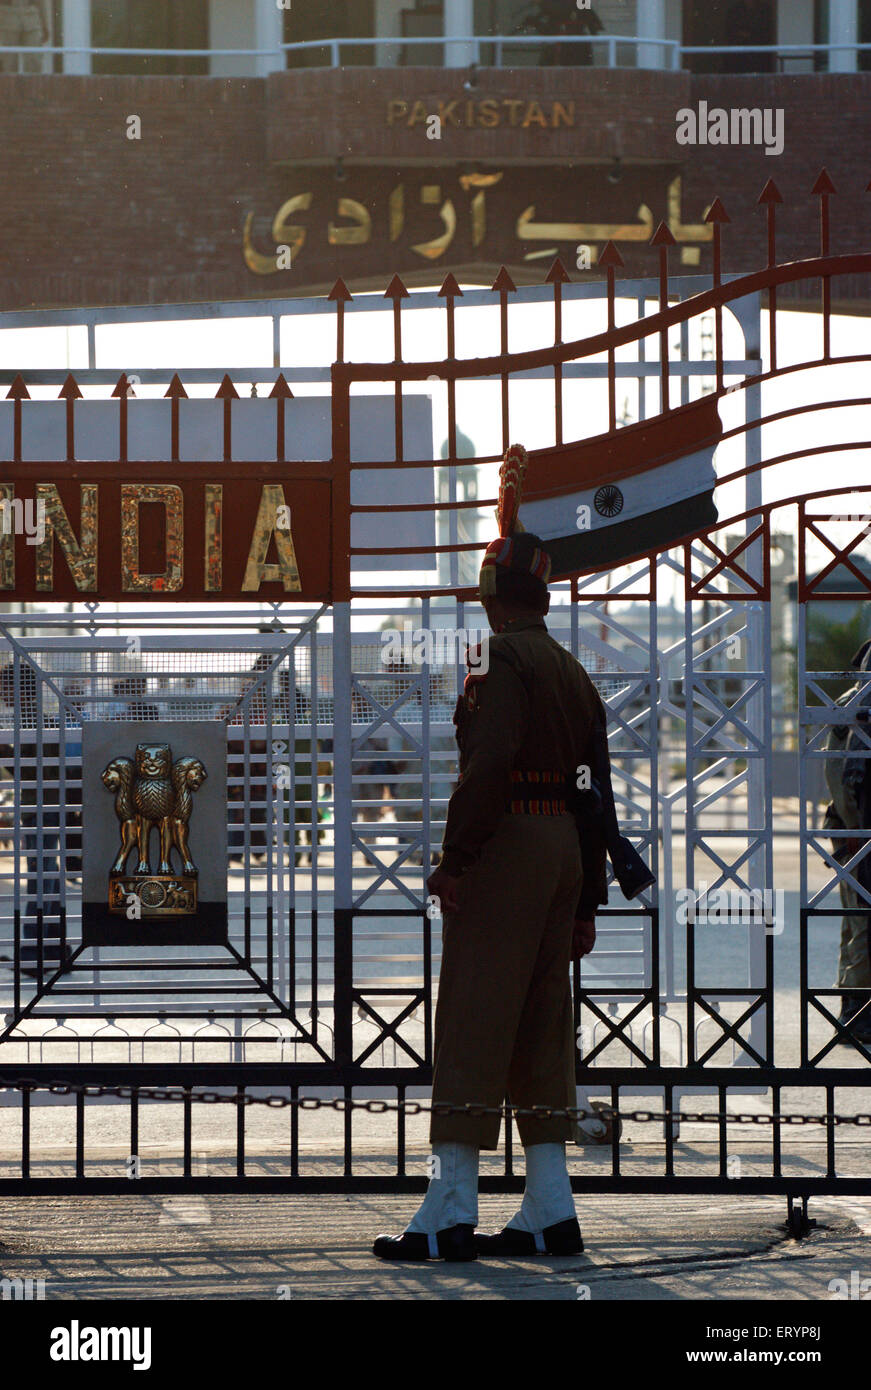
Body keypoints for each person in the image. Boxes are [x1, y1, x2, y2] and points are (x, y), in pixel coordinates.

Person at [373, 444, 607, 1263]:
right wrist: (586, 902)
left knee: (473, 1018)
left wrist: (454, 860)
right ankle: (548, 1208)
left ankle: (448, 1212)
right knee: (541, 1026)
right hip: (562, 854)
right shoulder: (575, 672)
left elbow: (487, 766)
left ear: (490, 598)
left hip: (506, 846)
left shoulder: (493, 658)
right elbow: (593, 793)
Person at [825, 637, 871, 1043]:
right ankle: (858, 1016)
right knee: (862, 926)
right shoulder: (861, 709)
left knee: (855, 924)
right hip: (859, 833)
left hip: (849, 832)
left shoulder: (847, 703)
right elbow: (850, 777)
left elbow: (837, 775)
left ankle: (852, 1011)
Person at [0, 0, 50, 74]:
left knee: (35, 60)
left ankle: (33, 85)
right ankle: (9, 85)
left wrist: (45, 25)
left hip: (31, 19)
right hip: (7, 18)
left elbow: (41, 2)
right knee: (8, 63)